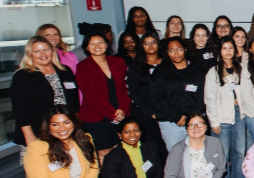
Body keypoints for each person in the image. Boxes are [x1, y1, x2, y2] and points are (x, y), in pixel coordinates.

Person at [11, 36, 80, 160]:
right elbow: (20, 110)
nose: (42, 54)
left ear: (52, 51)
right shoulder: (23, 76)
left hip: (66, 132)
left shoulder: (65, 71)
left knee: (71, 169)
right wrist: (29, 137)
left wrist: (78, 130)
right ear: (30, 54)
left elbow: (74, 104)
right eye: (37, 51)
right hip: (38, 133)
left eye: (46, 50)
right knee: (42, 173)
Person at [76, 33, 130, 162]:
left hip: (120, 114)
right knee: (104, 151)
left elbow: (125, 88)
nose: (97, 46)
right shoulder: (82, 67)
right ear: (87, 47)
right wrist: (112, 113)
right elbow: (91, 95)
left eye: (100, 42)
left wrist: (122, 109)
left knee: (121, 149)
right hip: (97, 117)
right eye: (92, 43)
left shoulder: (118, 62)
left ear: (106, 45)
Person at [204, 36, 245, 178]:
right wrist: (213, 121)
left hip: (239, 115)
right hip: (221, 117)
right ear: (219, 51)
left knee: (239, 150)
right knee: (223, 152)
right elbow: (209, 99)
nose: (228, 52)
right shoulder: (213, 72)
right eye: (224, 48)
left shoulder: (241, 68)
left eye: (230, 48)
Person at [150, 37, 206, 150]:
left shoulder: (197, 68)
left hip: (195, 122)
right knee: (176, 158)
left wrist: (192, 118)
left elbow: (203, 94)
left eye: (179, 49)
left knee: (198, 156)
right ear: (166, 52)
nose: (176, 53)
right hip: (171, 123)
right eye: (171, 50)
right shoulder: (160, 71)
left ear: (185, 49)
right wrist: (175, 117)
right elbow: (157, 98)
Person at [125, 32, 166, 160]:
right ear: (141, 46)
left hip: (168, 112)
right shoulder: (136, 66)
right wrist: (151, 112)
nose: (150, 46)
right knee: (152, 148)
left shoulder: (167, 63)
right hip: (145, 114)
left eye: (153, 42)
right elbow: (134, 92)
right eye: (146, 43)